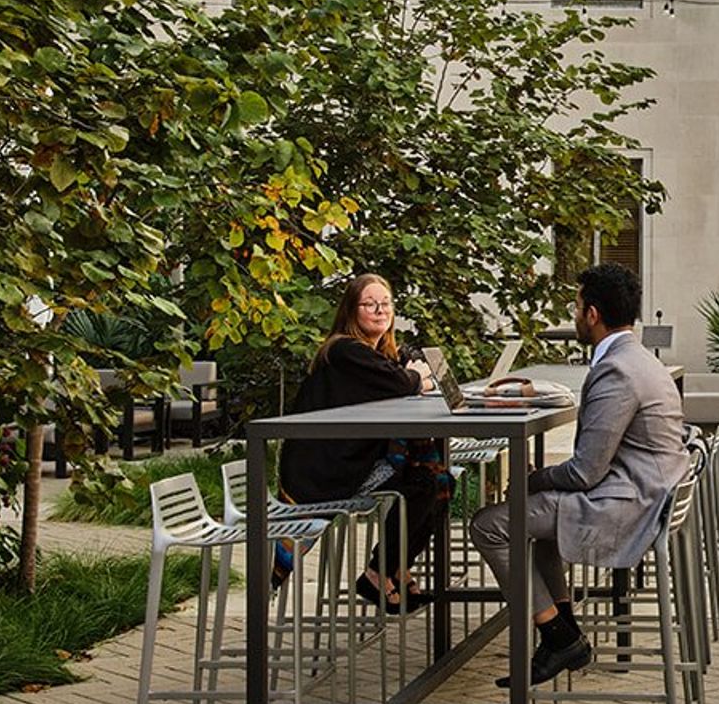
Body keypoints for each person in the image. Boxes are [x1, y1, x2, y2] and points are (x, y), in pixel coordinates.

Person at [466, 263, 685, 682]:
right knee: (534, 519)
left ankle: (557, 636)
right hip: (644, 492)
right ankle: (563, 636)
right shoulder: (638, 359)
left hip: (627, 504)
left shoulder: (617, 370)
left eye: (576, 305)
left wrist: (535, 478)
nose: (574, 313)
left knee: (489, 526)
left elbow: (585, 472)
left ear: (592, 315)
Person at [278, 273, 451, 615]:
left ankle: (393, 568)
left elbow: (407, 368)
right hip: (324, 471)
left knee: (440, 481)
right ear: (351, 311)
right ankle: (378, 571)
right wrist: (417, 378)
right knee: (425, 484)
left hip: (351, 459)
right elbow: (404, 382)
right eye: (369, 304)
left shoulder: (374, 352)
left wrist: (415, 374)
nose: (379, 310)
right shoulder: (344, 349)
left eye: (385, 303)